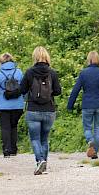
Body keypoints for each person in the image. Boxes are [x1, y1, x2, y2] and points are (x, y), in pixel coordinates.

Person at [19, 46, 61, 175]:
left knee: (35, 139)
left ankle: (40, 160)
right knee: (44, 138)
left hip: (33, 110)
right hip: (49, 110)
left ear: (35, 57)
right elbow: (58, 91)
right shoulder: (52, 73)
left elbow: (22, 90)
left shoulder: (30, 72)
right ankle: (44, 163)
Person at [66, 51, 99, 159]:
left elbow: (76, 89)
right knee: (98, 129)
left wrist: (70, 104)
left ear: (88, 60)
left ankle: (90, 141)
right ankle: (94, 152)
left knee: (87, 128)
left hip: (87, 105)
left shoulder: (84, 73)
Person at [0, 52, 25, 158]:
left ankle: (7, 149)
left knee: (5, 127)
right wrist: (23, 98)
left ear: (1, 62)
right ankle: (14, 149)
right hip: (18, 105)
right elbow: (25, 87)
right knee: (14, 126)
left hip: (3, 105)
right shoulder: (19, 72)